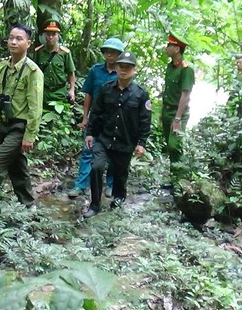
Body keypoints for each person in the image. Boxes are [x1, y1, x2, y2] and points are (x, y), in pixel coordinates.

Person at [0, 23, 44, 209]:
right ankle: (29, 205)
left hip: (20, 127)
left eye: (19, 39)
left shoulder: (33, 71)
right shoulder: (4, 67)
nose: (13, 42)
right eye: (11, 38)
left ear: (28, 43)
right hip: (5, 123)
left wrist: (30, 135)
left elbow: (35, 107)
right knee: (17, 166)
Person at [84, 51, 151, 218]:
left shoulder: (140, 94)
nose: (124, 70)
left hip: (125, 142)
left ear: (134, 70)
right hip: (104, 139)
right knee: (96, 167)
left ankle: (117, 204)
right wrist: (90, 133)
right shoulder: (107, 89)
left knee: (121, 176)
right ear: (117, 68)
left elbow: (145, 120)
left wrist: (141, 143)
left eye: (128, 67)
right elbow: (96, 112)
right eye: (121, 66)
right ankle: (94, 205)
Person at [67, 37, 125, 199]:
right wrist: (85, 117)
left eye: (113, 53)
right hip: (96, 118)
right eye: (107, 52)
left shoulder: (123, 73)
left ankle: (111, 185)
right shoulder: (96, 71)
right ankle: (81, 185)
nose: (109, 55)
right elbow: (88, 94)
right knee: (88, 150)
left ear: (119, 54)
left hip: (115, 120)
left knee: (114, 153)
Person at [161, 34, 195, 183]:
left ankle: (180, 181)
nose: (166, 48)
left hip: (177, 112)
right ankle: (174, 178)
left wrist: (177, 118)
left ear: (176, 49)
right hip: (167, 110)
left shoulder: (186, 69)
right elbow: (168, 90)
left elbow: (185, 95)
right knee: (169, 145)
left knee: (175, 146)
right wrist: (163, 111)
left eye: (169, 46)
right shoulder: (170, 67)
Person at [31, 19, 76, 106]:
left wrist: (72, 90)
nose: (50, 37)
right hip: (42, 92)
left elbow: (71, 72)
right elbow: (34, 71)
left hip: (59, 93)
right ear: (44, 35)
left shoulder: (64, 53)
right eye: (48, 34)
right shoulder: (39, 52)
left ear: (58, 36)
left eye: (54, 34)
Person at [228, 53, 242, 117]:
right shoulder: (234, 72)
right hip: (235, 94)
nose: (238, 64)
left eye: (240, 62)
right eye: (237, 63)